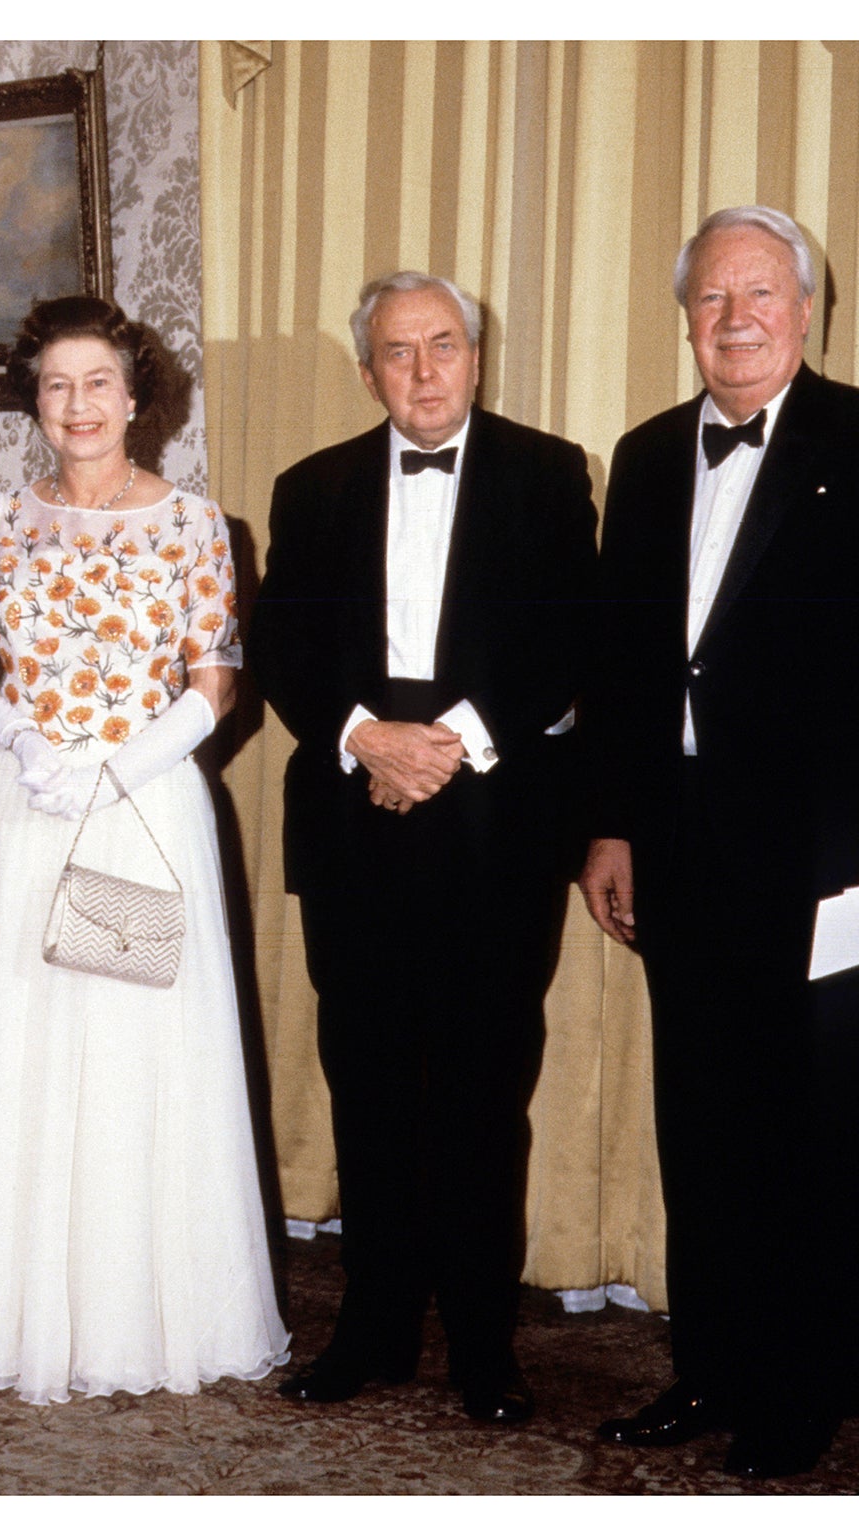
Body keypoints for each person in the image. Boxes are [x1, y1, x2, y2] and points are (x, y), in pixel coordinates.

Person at [0, 295, 289, 1404]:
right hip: (19, 807)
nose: (78, 403)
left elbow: (216, 680)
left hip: (137, 806)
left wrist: (117, 764)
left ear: (137, 395)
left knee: (127, 1045)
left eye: (98, 381)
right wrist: (13, 732)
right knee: (13, 1045)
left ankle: (131, 1314)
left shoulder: (194, 524)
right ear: (33, 404)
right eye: (56, 385)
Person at [248, 273, 596, 1424]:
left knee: (485, 1091)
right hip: (352, 825)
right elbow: (282, 650)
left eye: (442, 346)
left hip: (493, 826)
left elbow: (567, 639)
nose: (423, 371)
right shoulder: (311, 488)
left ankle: (485, 1346)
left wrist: (443, 747)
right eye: (396, 353)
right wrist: (363, 739)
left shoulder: (549, 474)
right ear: (366, 372)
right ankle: (373, 1326)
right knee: (368, 1085)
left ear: (475, 355)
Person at [581, 206, 859, 1480]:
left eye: (758, 294)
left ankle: (799, 1398)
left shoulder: (857, 443)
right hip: (677, 851)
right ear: (683, 317)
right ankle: (708, 1371)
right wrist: (608, 826)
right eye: (709, 298)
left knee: (806, 1132)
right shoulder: (640, 458)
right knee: (697, 1127)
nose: (733, 317)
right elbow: (622, 667)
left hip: (818, 862)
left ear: (806, 310)